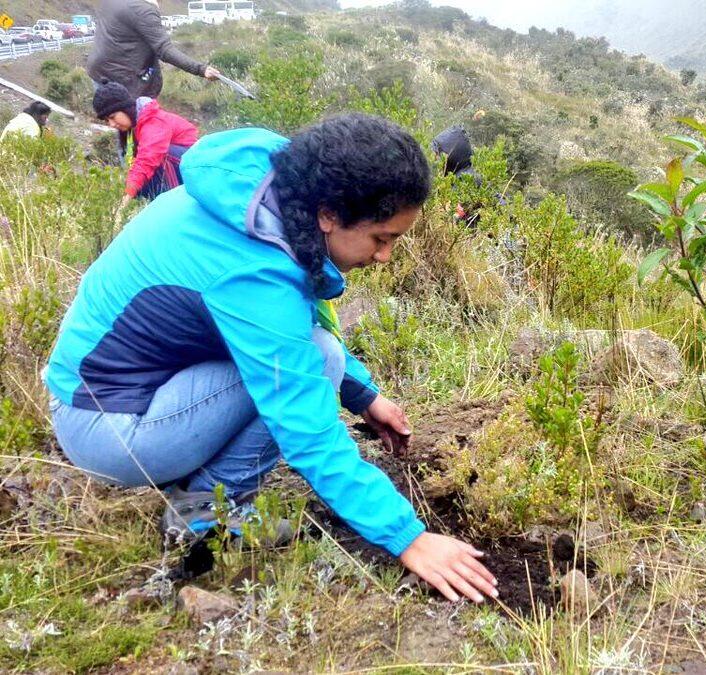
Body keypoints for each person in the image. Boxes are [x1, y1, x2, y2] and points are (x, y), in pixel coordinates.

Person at [44, 114, 499, 604]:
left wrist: (363, 394)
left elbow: (287, 327)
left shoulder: (262, 195)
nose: (384, 256)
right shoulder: (253, 267)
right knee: (319, 362)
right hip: (108, 428)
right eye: (380, 238)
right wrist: (408, 538)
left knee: (320, 358)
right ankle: (206, 511)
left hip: (131, 391)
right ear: (329, 214)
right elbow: (304, 420)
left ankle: (199, 485)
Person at [93, 81, 200, 209]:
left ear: (125, 108)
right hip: (182, 167)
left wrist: (124, 201)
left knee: (159, 158)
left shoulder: (154, 121)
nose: (111, 124)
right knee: (138, 179)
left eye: (113, 117)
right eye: (107, 120)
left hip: (197, 167)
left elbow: (147, 159)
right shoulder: (136, 124)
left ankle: (176, 208)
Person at [87, 0, 221, 100]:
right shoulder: (141, 10)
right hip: (125, 81)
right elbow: (164, 49)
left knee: (123, 125)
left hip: (99, 72)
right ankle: (130, 136)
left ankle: (127, 136)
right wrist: (201, 69)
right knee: (135, 127)